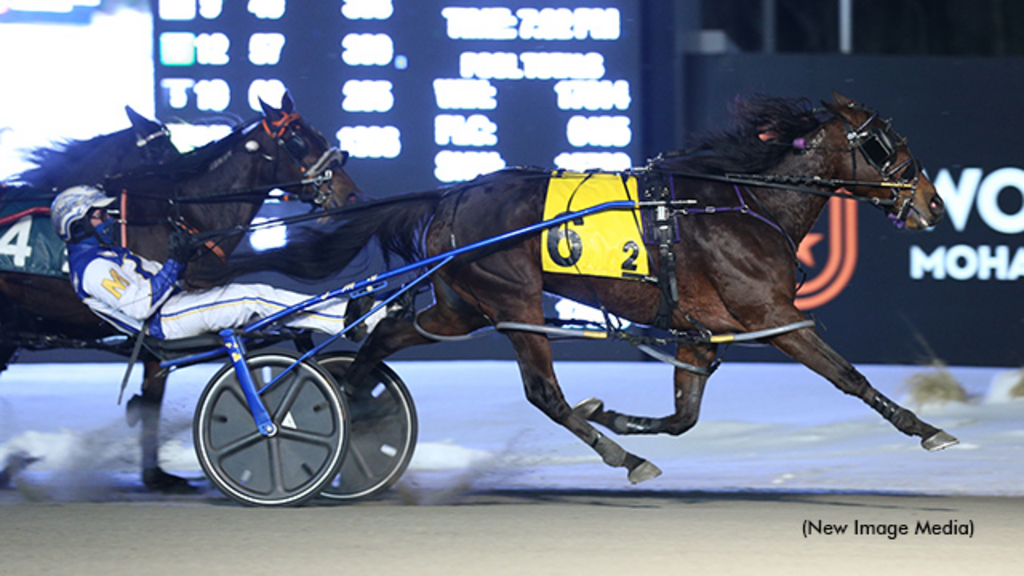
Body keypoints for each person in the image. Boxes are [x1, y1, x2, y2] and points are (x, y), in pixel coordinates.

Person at [50, 185, 383, 342]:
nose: (107, 218)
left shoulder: (103, 256)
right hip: (165, 321)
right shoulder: (93, 268)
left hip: (175, 307)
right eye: (97, 215)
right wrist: (175, 262)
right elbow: (141, 305)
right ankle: (347, 319)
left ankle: (362, 314)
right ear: (76, 224)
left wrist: (182, 256)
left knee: (257, 296)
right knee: (254, 297)